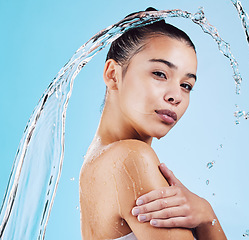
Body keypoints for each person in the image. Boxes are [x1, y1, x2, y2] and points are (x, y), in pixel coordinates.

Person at [79, 7, 227, 240]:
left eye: (186, 85)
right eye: (160, 73)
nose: (176, 96)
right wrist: (208, 218)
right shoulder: (131, 158)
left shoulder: (97, 161)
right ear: (112, 74)